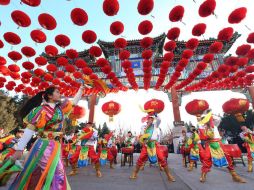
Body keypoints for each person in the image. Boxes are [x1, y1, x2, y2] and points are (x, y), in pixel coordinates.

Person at [7, 84, 84, 189]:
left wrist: (80, 90)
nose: (59, 93)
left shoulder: (60, 110)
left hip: (56, 146)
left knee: (38, 174)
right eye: (57, 92)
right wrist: (20, 149)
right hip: (44, 145)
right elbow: (30, 130)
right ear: (49, 96)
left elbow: (73, 103)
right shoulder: (40, 110)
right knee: (58, 173)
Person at [186, 100, 246, 183]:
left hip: (218, 143)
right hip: (209, 144)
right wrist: (202, 118)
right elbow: (202, 131)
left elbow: (218, 120)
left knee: (227, 158)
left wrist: (210, 115)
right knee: (207, 160)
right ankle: (203, 176)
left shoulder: (214, 123)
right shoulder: (202, 126)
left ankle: (235, 176)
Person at [130, 115, 175, 182]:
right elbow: (142, 136)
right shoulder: (143, 127)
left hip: (155, 144)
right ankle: (135, 173)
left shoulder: (155, 125)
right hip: (146, 145)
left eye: (152, 119)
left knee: (162, 158)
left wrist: (156, 114)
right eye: (150, 119)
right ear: (147, 120)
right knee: (140, 159)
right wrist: (142, 140)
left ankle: (169, 175)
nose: (151, 120)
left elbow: (159, 120)